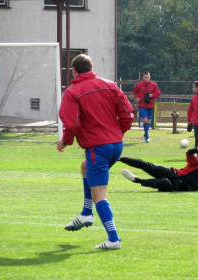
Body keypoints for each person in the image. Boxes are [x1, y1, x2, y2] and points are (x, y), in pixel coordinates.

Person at [57, 54, 134, 250]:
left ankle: (113, 239)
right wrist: (118, 132)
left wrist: (65, 142)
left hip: (97, 147)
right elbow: (126, 113)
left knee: (100, 194)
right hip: (116, 144)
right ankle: (86, 213)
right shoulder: (110, 84)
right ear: (91, 68)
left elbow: (71, 123)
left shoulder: (72, 91)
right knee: (85, 167)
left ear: (74, 71)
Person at [120, 141, 198, 192]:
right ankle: (119, 158)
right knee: (148, 166)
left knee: (164, 182)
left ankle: (136, 179)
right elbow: (188, 153)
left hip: (176, 185)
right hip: (173, 173)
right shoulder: (197, 164)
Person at [133, 71, 161, 143]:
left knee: (148, 121)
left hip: (150, 105)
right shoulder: (139, 85)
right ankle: (147, 136)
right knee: (145, 120)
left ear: (150, 77)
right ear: (143, 77)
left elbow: (158, 93)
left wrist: (153, 95)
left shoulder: (153, 85)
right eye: (145, 77)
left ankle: (145, 133)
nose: (147, 78)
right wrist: (137, 97)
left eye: (148, 77)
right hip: (142, 105)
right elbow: (135, 92)